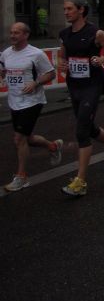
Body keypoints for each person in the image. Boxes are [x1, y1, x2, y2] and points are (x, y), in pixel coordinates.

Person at [58, 0, 104, 197]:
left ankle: (80, 182)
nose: (66, 12)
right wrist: (60, 64)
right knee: (88, 125)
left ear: (81, 10)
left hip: (92, 85)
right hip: (74, 85)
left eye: (69, 9)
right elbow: (61, 56)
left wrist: (101, 58)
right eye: (64, 9)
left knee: (81, 131)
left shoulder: (96, 33)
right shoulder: (64, 34)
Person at [1, 22, 60, 192]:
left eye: (17, 33)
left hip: (32, 101)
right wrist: (3, 73)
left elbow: (51, 73)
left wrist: (35, 83)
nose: (12, 35)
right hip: (14, 101)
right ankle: (53, 146)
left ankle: (21, 177)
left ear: (26, 35)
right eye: (11, 32)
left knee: (19, 139)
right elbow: (3, 68)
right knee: (28, 138)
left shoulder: (36, 54)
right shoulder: (6, 53)